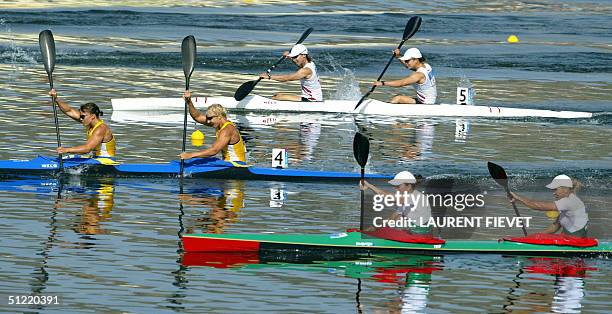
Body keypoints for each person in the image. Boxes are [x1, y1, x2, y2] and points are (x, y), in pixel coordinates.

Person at [510, 174, 588, 237]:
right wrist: (535, 237)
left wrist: (518, 197)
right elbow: (555, 227)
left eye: (555, 189)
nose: (554, 193)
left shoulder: (569, 201)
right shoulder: (567, 203)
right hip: (569, 239)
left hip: (575, 243)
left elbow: (536, 206)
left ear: (565, 189)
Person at [179, 91, 247, 162]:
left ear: (219, 116)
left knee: (197, 159)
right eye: (207, 118)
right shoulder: (218, 123)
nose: (208, 121)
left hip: (237, 165)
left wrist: (191, 155)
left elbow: (214, 150)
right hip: (227, 163)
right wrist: (189, 101)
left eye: (210, 118)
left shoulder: (227, 130)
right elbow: (197, 116)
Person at [49, 89, 116, 158]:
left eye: (82, 116)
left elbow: (88, 148)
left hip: (106, 161)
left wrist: (66, 149)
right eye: (80, 116)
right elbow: (69, 110)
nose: (80, 118)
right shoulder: (89, 122)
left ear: (93, 116)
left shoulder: (101, 129)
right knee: (68, 158)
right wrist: (56, 99)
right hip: (94, 158)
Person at [361, 171, 431, 234]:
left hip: (420, 231)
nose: (395, 188)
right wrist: (374, 228)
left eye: (398, 186)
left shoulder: (415, 196)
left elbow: (387, 196)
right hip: (411, 229)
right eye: (395, 186)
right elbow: (393, 218)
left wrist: (369, 185)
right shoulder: (404, 201)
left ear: (409, 186)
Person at [259, 44, 323, 102]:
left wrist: (269, 77)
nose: (294, 60)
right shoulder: (310, 63)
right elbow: (298, 61)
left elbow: (287, 78)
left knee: (277, 97)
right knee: (277, 95)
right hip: (312, 97)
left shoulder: (305, 70)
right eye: (292, 57)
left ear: (304, 55)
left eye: (295, 57)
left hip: (312, 100)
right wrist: (289, 55)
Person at [373, 47, 437, 104]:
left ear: (416, 60)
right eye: (405, 61)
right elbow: (409, 66)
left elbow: (401, 83)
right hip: (429, 100)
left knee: (397, 99)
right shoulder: (426, 66)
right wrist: (398, 56)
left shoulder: (418, 75)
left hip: (425, 104)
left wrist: (383, 83)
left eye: (407, 61)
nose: (406, 63)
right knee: (398, 98)